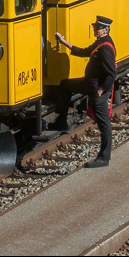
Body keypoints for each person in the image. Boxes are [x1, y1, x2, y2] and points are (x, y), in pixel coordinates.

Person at [53, 16, 117, 168]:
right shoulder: (99, 43)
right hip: (89, 84)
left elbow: (111, 73)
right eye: (95, 27)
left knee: (104, 125)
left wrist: (101, 90)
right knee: (65, 84)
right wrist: (64, 42)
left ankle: (104, 158)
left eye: (97, 28)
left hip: (96, 90)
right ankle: (61, 121)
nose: (95, 29)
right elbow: (83, 52)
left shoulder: (106, 47)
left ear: (105, 30)